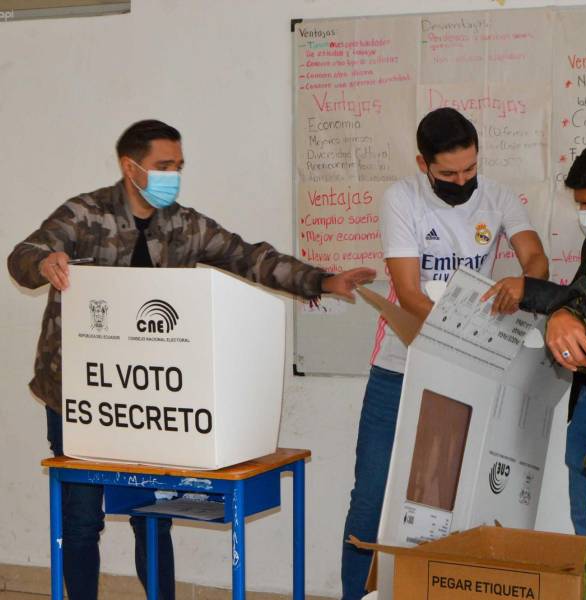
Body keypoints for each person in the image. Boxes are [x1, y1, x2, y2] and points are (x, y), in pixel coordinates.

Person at [7, 119, 376, 600]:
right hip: (79, 395)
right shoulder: (85, 214)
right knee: (80, 520)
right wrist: (43, 262)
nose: (173, 176)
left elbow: (252, 258)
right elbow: (24, 253)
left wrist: (323, 281)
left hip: (150, 394)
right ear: (130, 167)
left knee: (152, 515)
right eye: (163, 166)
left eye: (178, 166)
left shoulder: (185, 225)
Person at [341, 107, 549, 600]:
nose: (462, 181)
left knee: (446, 503)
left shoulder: (498, 197)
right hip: (399, 368)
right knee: (371, 499)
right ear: (423, 164)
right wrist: (462, 331)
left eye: (470, 169)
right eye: (449, 174)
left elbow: (535, 258)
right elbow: (409, 293)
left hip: (469, 373)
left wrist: (525, 283)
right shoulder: (401, 198)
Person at [487, 141, 586, 536]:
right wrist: (540, 297)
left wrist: (543, 297)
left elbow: (585, 310)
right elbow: (581, 298)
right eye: (582, 207)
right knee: (583, 501)